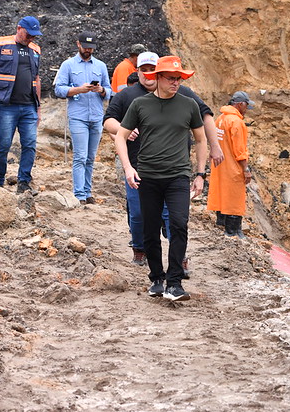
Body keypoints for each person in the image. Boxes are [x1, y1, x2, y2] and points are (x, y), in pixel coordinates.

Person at [103, 51, 221, 267]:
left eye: (151, 69)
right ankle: (140, 249)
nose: (148, 74)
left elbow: (205, 115)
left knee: (174, 217)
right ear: (137, 71)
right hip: (139, 167)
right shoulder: (129, 97)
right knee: (139, 214)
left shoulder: (183, 95)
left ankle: (178, 258)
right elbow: (108, 120)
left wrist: (215, 146)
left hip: (175, 168)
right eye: (144, 70)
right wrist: (123, 130)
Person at [114, 55, 208, 302]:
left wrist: (200, 174)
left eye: (179, 79)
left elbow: (200, 139)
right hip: (148, 176)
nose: (176, 83)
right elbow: (120, 136)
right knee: (150, 228)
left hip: (178, 176)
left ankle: (175, 282)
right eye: (170, 79)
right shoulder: (140, 105)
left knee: (178, 225)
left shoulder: (189, 105)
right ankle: (157, 278)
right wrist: (127, 168)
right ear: (157, 78)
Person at [0, 16, 42, 195]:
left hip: (29, 106)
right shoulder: (1, 44)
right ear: (19, 28)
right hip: (5, 105)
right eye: (28, 34)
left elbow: (36, 79)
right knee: (4, 144)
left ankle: (24, 182)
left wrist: (38, 108)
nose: (31, 38)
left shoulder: (35, 49)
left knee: (30, 144)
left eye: (34, 36)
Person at [54, 32, 112, 205]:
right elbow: (58, 90)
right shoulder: (68, 65)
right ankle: (79, 194)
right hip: (78, 116)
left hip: (96, 116)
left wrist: (101, 90)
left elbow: (109, 91)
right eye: (86, 47)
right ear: (78, 44)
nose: (88, 50)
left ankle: (87, 191)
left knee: (90, 157)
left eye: (91, 48)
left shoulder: (101, 66)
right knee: (80, 156)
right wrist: (78, 90)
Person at [207, 91, 254, 238]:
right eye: (246, 106)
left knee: (222, 193)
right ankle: (233, 231)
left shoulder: (220, 119)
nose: (246, 110)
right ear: (240, 104)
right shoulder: (236, 122)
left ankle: (221, 221)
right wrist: (245, 169)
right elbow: (240, 150)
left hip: (220, 165)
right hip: (232, 167)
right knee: (234, 197)